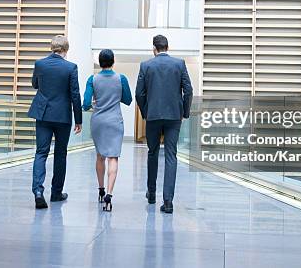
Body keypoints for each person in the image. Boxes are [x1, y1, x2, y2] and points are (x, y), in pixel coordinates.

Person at [135, 35, 193, 214]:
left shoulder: (146, 65)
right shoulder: (179, 64)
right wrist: (185, 112)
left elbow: (139, 93)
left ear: (154, 48)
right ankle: (168, 201)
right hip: (174, 116)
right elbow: (188, 90)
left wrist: (146, 112)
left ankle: (151, 193)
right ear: (168, 47)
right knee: (171, 155)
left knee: (152, 153)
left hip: (153, 116)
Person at [28, 35, 82, 209]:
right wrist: (79, 120)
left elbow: (35, 84)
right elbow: (75, 94)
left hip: (43, 113)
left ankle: (38, 191)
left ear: (52, 47)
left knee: (41, 152)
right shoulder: (71, 67)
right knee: (60, 153)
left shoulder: (40, 64)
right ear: (66, 50)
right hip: (62, 116)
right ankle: (56, 192)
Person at [83, 49, 132, 212]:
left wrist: (96, 101)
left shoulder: (93, 79)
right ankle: (109, 195)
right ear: (113, 62)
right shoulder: (121, 78)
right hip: (115, 121)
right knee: (113, 157)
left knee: (100, 156)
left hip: (98, 121)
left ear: (99, 62)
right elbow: (128, 100)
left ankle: (101, 189)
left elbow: (85, 104)